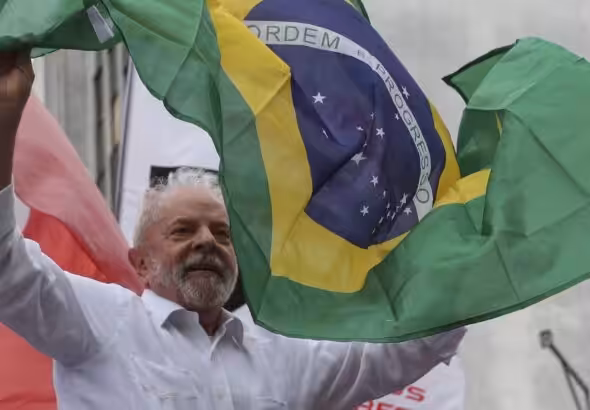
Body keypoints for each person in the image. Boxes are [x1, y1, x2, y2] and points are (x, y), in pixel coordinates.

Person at [0, 51, 465, 409]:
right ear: (140, 261)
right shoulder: (102, 322)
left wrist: (474, 254)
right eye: (182, 231)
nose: (207, 241)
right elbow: (7, 270)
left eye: (223, 235)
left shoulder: (279, 357)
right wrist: (5, 119)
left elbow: (400, 354)